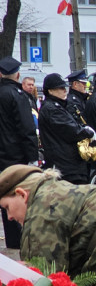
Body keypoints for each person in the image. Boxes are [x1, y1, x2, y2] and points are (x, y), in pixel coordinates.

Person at [0, 56, 39, 249]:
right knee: (17, 198)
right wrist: (33, 158)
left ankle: (11, 239)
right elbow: (26, 129)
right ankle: (19, 243)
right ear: (17, 74)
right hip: (16, 158)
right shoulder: (18, 96)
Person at [38, 73, 94, 185]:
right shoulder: (52, 108)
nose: (65, 91)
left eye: (65, 88)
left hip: (68, 164)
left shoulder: (58, 106)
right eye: (60, 88)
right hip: (65, 166)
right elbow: (71, 130)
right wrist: (87, 132)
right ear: (50, 91)